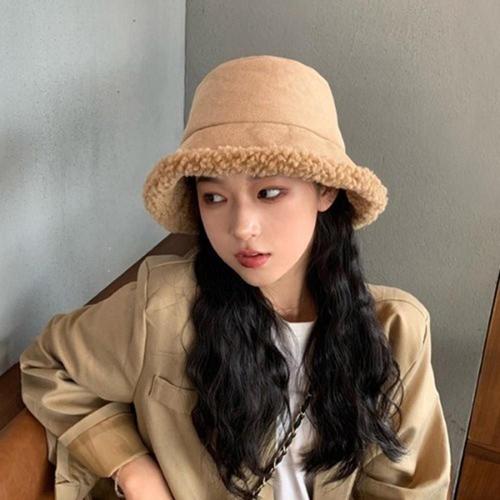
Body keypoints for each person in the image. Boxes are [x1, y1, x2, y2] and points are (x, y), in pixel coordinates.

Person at [19, 55, 451, 500]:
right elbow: (47, 365)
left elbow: (407, 488)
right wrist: (133, 469)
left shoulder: (395, 331)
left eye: (268, 192)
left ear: (325, 190)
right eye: (214, 197)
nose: (242, 226)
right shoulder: (164, 309)